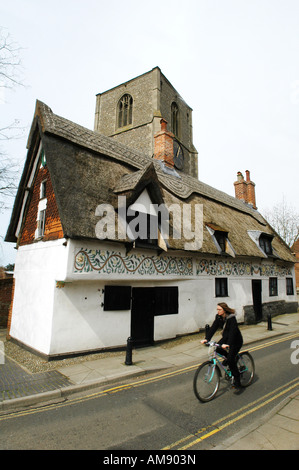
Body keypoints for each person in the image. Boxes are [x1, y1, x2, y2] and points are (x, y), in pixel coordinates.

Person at [201, 303, 243, 389]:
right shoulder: (219, 317)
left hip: (235, 340)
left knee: (231, 359)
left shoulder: (231, 318)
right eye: (217, 309)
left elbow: (233, 332)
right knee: (216, 349)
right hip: (226, 338)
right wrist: (207, 339)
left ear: (224, 310)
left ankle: (237, 380)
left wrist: (228, 344)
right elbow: (213, 328)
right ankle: (229, 359)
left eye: (219, 309)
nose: (218, 311)